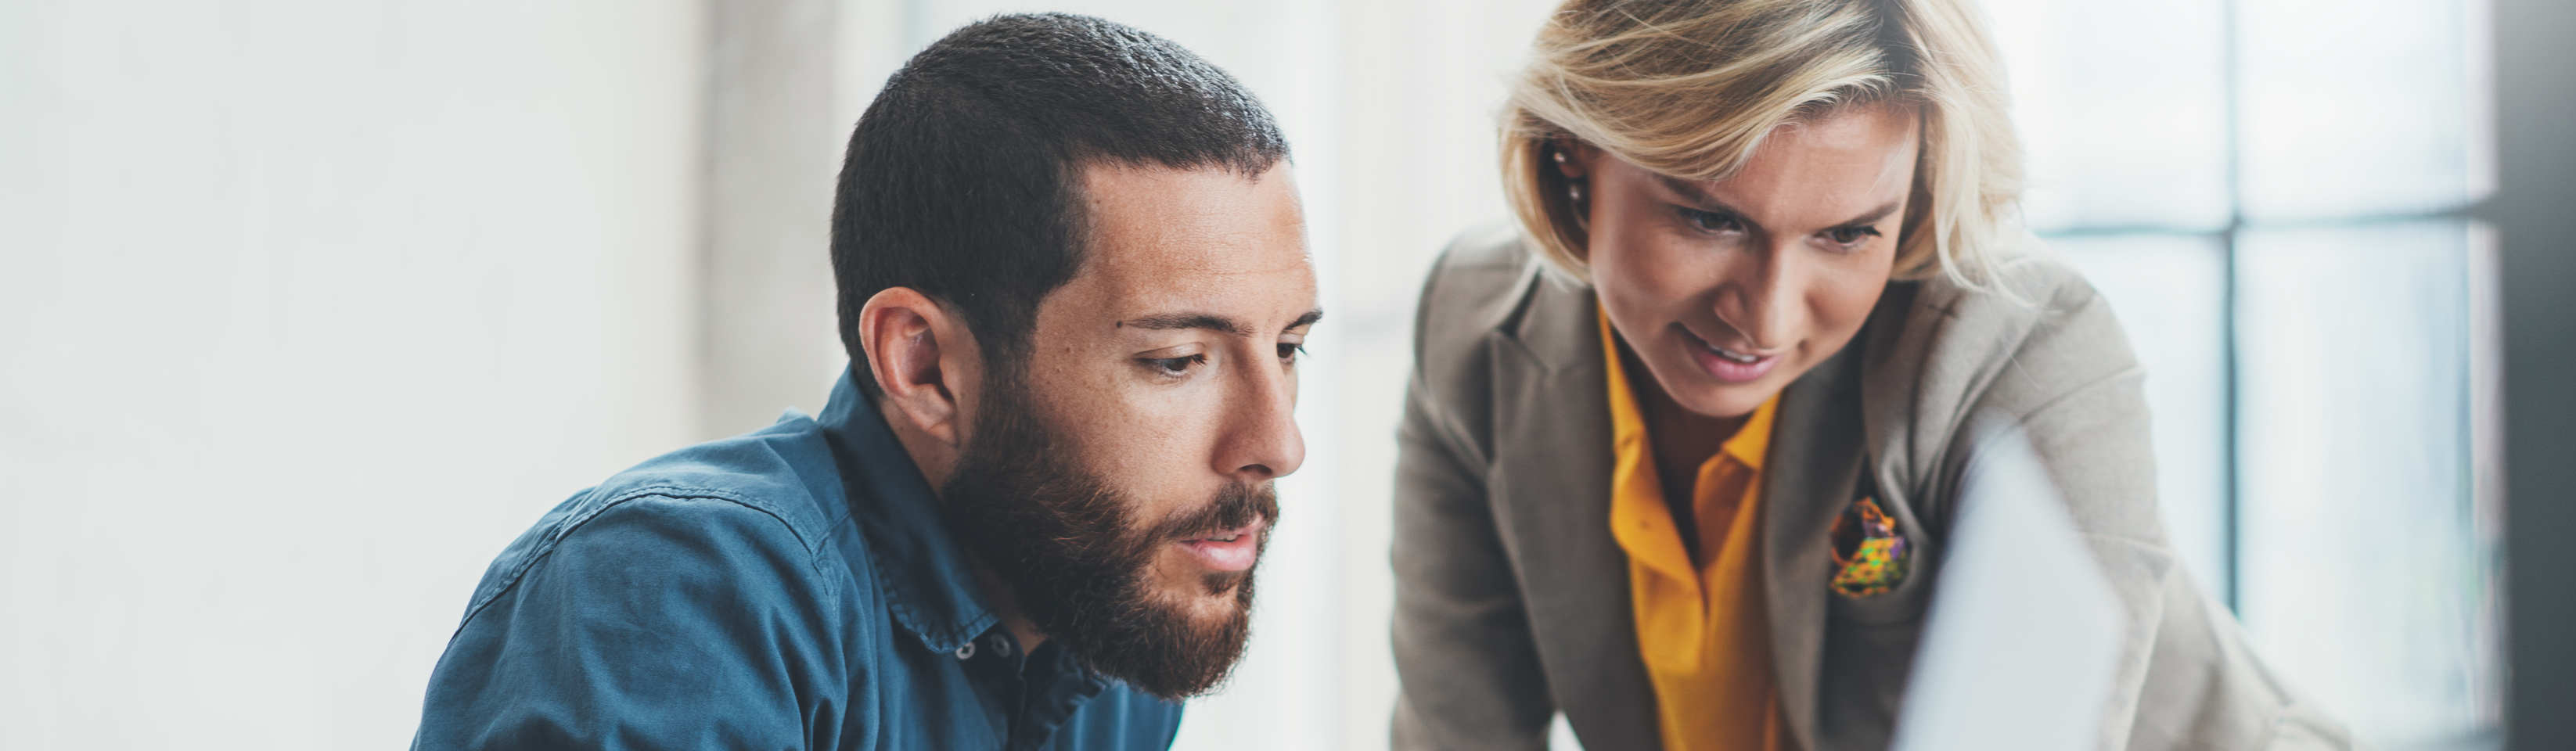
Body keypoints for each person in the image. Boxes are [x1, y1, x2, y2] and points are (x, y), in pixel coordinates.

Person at [1387, 2, 2353, 750]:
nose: (1766, 316)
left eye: (1847, 234)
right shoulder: (1473, 334)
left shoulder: (2025, 350)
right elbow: (1455, 728)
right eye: (1709, 218)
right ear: (1574, 157)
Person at [411, 14, 1318, 750]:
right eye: (1177, 362)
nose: (1278, 444)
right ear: (923, 365)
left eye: (1288, 349)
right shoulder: (676, 598)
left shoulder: (1106, 631)